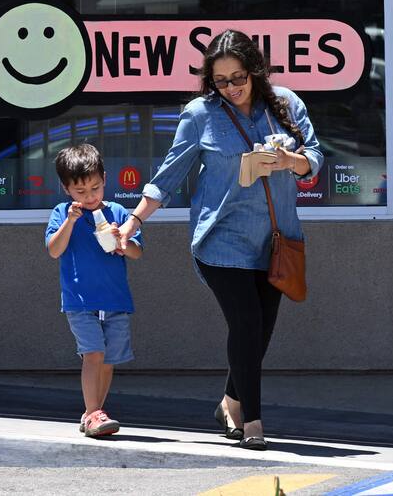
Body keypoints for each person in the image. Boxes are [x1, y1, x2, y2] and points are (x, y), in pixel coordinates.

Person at [116, 30, 322, 451]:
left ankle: (230, 400)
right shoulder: (200, 114)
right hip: (220, 239)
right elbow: (169, 175)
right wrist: (134, 221)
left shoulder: (284, 105)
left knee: (259, 333)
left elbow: (315, 158)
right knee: (245, 325)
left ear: (255, 71)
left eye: (238, 77)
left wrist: (290, 160)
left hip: (275, 241)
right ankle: (253, 423)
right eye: (221, 81)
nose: (231, 88)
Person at [45, 143, 143, 437]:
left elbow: (137, 251)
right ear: (66, 189)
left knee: (109, 360)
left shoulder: (117, 211)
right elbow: (53, 250)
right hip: (80, 300)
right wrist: (70, 222)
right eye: (81, 192)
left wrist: (122, 242)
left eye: (95, 188)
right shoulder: (62, 213)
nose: (89, 197)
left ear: (105, 179)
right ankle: (93, 414)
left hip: (115, 299)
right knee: (93, 354)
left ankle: (94, 413)